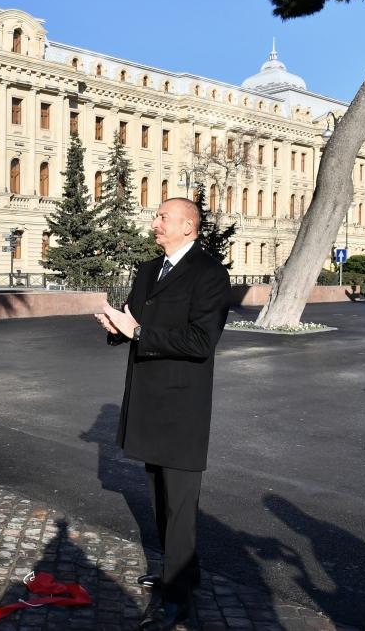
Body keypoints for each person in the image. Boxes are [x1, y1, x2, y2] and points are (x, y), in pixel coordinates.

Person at [95, 197, 230, 631]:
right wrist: (119, 330)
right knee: (158, 497)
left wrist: (138, 331)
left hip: (182, 407)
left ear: (188, 226)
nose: (154, 223)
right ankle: (180, 572)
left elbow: (200, 342)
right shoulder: (149, 269)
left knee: (181, 506)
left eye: (162, 217)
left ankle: (177, 598)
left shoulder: (210, 274)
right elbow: (137, 322)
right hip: (148, 401)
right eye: (156, 216)